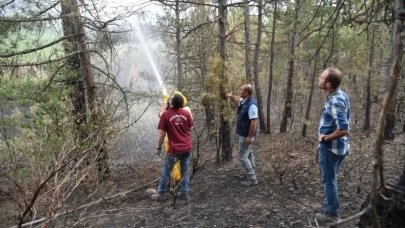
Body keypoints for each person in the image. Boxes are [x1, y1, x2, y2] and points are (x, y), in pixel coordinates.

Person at [315, 67, 351, 223]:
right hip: (339, 147)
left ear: (328, 84)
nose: (319, 78)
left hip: (331, 149)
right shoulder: (339, 95)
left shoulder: (335, 101)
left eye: (321, 77)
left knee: (329, 181)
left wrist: (325, 139)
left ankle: (332, 215)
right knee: (331, 179)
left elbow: (344, 129)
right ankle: (330, 206)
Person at [151, 94, 194, 201]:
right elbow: (190, 128)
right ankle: (184, 193)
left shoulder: (166, 115)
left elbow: (162, 134)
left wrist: (158, 148)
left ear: (171, 103)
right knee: (185, 170)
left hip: (175, 150)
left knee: (166, 170)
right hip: (187, 147)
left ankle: (161, 194)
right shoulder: (186, 113)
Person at [226, 84, 259, 187]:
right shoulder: (245, 100)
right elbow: (238, 98)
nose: (239, 92)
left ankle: (252, 178)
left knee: (242, 157)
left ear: (246, 93)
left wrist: (249, 137)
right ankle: (251, 172)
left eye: (241, 90)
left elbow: (254, 122)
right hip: (244, 133)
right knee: (249, 154)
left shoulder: (251, 104)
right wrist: (231, 96)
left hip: (246, 134)